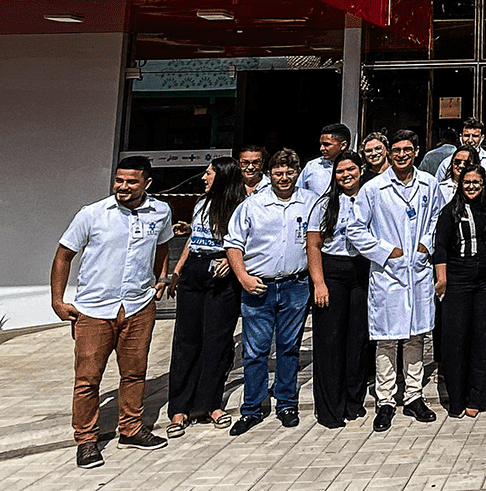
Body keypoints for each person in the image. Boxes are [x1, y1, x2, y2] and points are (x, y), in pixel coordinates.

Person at [51, 155, 173, 469]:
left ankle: (131, 428)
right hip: (94, 310)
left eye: (131, 181)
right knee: (88, 379)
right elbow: (64, 256)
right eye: (119, 180)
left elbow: (163, 245)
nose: (123, 187)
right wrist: (58, 300)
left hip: (138, 306)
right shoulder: (92, 214)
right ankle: (87, 440)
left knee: (134, 374)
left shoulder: (160, 212)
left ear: (147, 182)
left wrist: (160, 279)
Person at [224, 149, 317, 435]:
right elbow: (233, 244)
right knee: (255, 351)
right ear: (270, 173)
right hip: (258, 287)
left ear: (298, 171)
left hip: (295, 285)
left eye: (289, 171)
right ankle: (251, 408)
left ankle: (286, 404)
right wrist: (243, 278)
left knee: (289, 348)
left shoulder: (310, 203)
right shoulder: (252, 205)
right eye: (278, 172)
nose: (284, 177)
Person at [354, 130, 442, 431]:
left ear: (416, 151)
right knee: (387, 338)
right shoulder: (374, 188)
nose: (402, 154)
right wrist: (385, 252)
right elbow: (355, 229)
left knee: (416, 336)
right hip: (388, 273)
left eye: (407, 149)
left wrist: (424, 247)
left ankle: (414, 396)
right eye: (396, 150)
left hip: (417, 270)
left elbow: (436, 220)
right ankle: (386, 400)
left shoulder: (429, 185)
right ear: (389, 153)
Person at [166, 156, 247, 437]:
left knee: (217, 341)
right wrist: (176, 271)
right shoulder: (201, 203)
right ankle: (179, 407)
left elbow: (251, 239)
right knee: (187, 340)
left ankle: (210, 403)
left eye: (209, 173)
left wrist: (233, 259)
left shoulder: (240, 207)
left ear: (223, 176)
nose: (204, 177)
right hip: (194, 271)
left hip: (222, 275)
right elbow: (193, 241)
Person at [304, 150, 370, 428]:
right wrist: (319, 283)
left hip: (362, 272)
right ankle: (331, 409)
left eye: (350, 169)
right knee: (330, 340)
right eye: (340, 171)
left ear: (360, 170)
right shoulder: (324, 205)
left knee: (358, 339)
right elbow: (313, 246)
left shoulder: (370, 198)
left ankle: (354, 401)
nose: (346, 175)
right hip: (332, 272)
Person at [433, 161, 486, 418]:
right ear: (460, 184)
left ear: (483, 185)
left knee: (482, 338)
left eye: (476, 182)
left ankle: (478, 397)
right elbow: (440, 246)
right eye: (467, 182)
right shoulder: (450, 211)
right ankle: (457, 399)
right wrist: (442, 279)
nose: (472, 186)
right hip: (458, 276)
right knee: (456, 338)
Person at [434, 116, 486, 181]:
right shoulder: (447, 162)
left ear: (482, 138)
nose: (470, 140)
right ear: (460, 137)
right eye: (467, 135)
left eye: (475, 136)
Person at [301, 125, 349, 197]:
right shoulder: (311, 167)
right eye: (321, 144)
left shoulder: (355, 168)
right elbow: (299, 194)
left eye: (327, 144)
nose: (322, 148)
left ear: (343, 145)